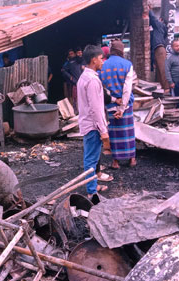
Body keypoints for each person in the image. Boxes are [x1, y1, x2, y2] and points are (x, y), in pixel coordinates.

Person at [77, 45, 109, 198]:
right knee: (91, 159)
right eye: (101, 58)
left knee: (90, 158)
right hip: (92, 125)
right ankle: (91, 192)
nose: (103, 61)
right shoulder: (92, 80)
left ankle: (93, 186)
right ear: (93, 60)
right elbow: (96, 109)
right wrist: (103, 130)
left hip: (87, 122)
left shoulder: (84, 77)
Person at [100, 40, 137, 170]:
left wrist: (114, 100)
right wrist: (122, 108)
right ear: (121, 51)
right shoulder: (127, 64)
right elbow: (127, 89)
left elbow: (103, 88)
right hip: (125, 105)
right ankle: (132, 159)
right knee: (128, 132)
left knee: (114, 133)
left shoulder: (103, 66)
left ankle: (115, 161)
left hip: (110, 104)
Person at [149, 7, 170, 92]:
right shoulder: (161, 30)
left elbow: (153, 19)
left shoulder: (160, 25)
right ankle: (161, 87)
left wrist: (149, 10)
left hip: (159, 48)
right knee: (158, 70)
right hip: (157, 49)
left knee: (162, 69)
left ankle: (166, 87)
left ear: (161, 20)